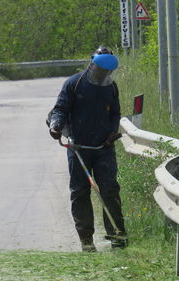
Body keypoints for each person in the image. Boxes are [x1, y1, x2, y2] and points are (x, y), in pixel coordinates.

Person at [48, 46, 127, 252]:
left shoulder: (111, 87)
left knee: (109, 189)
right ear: (92, 64)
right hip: (78, 147)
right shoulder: (74, 84)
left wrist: (112, 132)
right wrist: (55, 126)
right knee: (80, 192)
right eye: (101, 70)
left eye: (108, 72)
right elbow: (60, 110)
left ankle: (117, 235)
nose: (104, 75)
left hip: (104, 147)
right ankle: (86, 239)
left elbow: (115, 114)